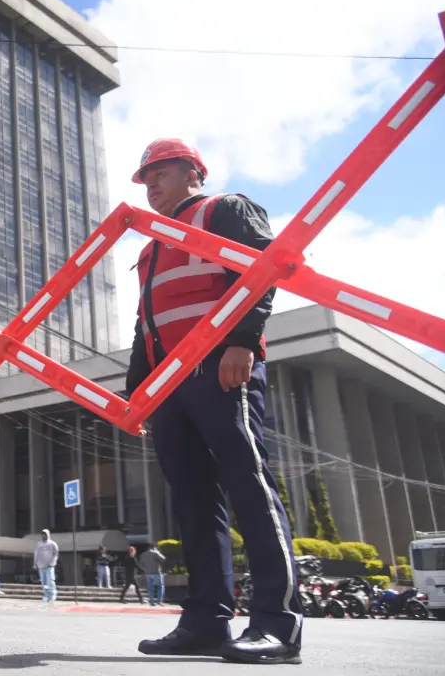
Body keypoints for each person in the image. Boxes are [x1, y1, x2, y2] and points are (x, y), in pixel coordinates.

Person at [127, 139, 302, 665]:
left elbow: (261, 270)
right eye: (145, 176)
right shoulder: (150, 242)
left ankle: (278, 623)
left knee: (249, 484)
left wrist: (243, 342)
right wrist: (137, 393)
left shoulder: (225, 209)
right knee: (194, 501)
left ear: (193, 172)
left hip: (221, 369)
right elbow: (146, 324)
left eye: (161, 172)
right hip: (169, 386)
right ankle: (206, 622)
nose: (151, 183)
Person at [34, 529, 60, 602]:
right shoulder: (39, 544)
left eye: (45, 534)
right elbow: (36, 554)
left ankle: (52, 594)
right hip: (41, 566)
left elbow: (56, 554)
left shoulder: (52, 544)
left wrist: (52, 562)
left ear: (48, 535)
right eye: (42, 534)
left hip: (49, 566)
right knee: (43, 582)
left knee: (50, 581)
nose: (43, 535)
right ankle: (46, 595)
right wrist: (35, 563)